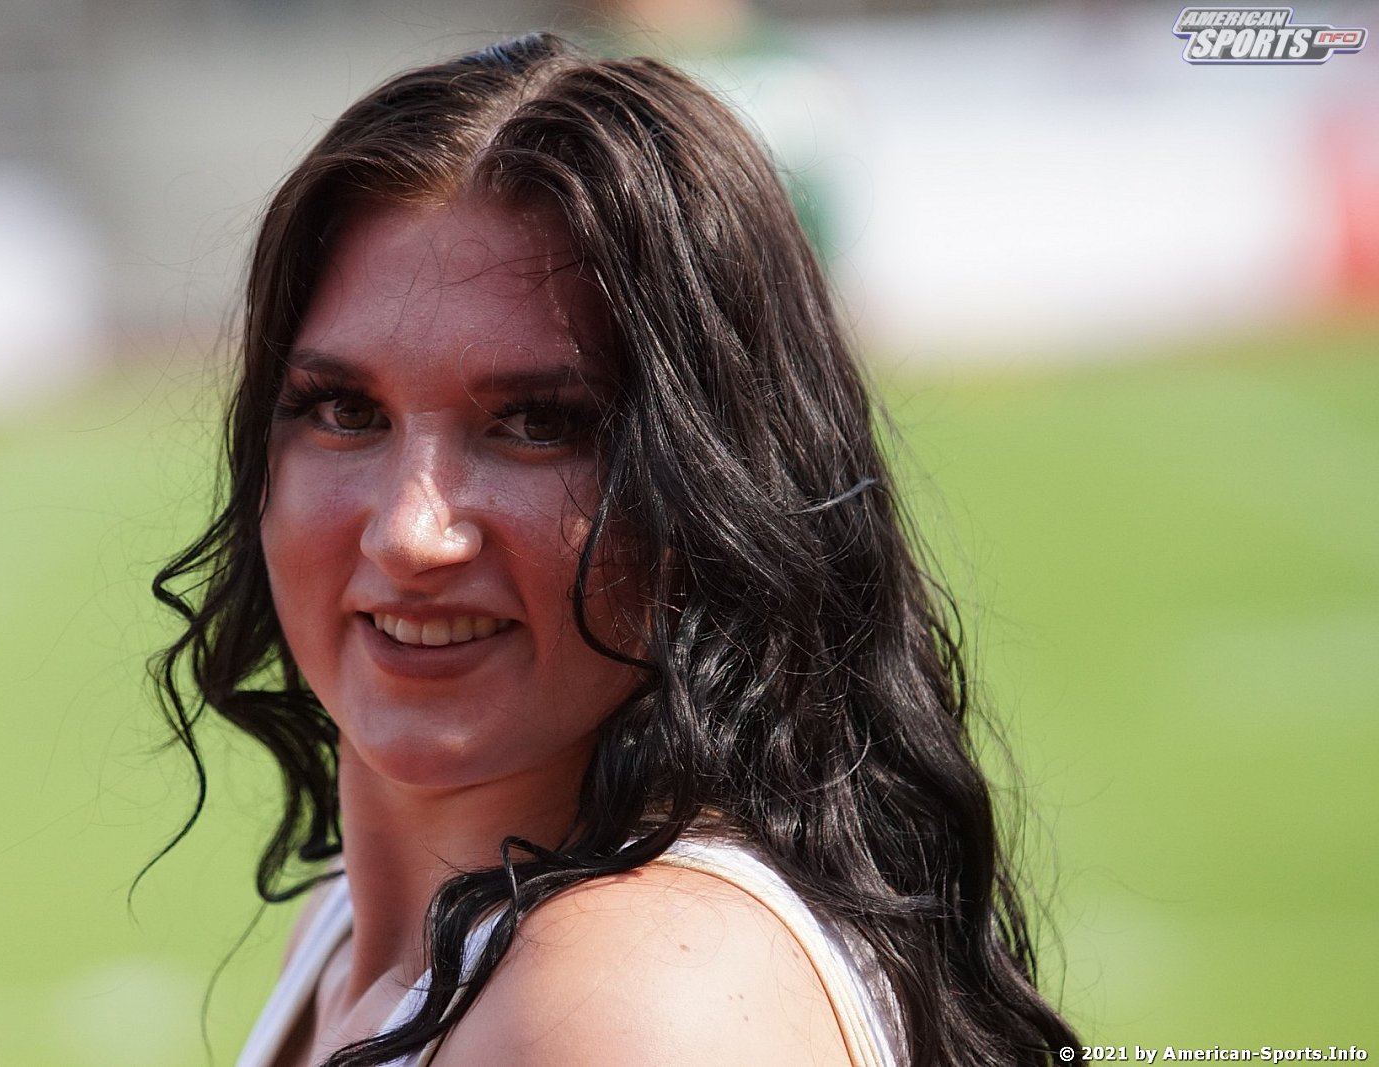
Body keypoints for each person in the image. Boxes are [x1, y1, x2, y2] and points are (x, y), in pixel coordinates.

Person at [152, 31, 1080, 1067]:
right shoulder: (347, 931)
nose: (411, 531)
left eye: (537, 423)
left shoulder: (623, 1003)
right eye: (342, 409)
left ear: (713, 481)